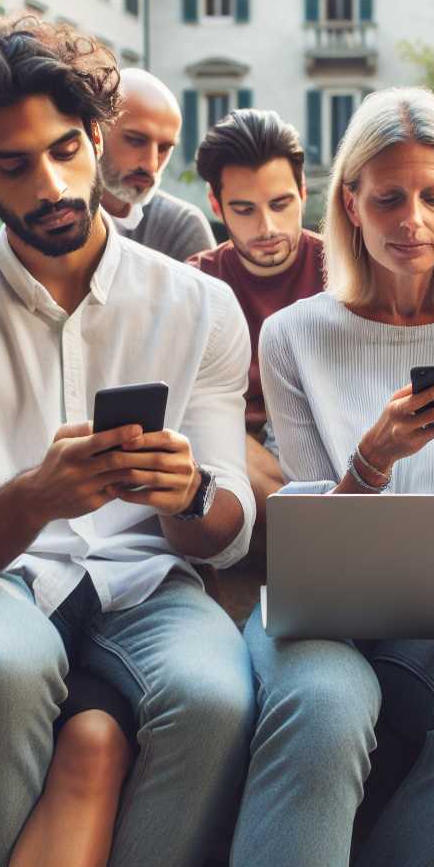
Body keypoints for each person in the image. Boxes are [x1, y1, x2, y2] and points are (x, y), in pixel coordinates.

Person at [0, 19, 256, 867]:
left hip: (149, 583)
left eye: (65, 150)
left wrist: (190, 493)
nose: (49, 184)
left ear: (96, 139)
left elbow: (226, 528)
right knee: (8, 669)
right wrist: (31, 499)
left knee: (215, 696)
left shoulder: (200, 307)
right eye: (13, 165)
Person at [230, 87, 434, 867]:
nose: (411, 219)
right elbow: (312, 532)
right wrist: (372, 464)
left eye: (432, 196)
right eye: (387, 199)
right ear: (350, 204)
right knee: (327, 703)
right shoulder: (293, 334)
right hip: (319, 619)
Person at [187, 108, 325, 547]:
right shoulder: (193, 288)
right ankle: (325, 535)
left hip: (329, 446)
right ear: (215, 204)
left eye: (281, 204)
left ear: (303, 191)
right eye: (244, 210)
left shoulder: (348, 270)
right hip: (235, 461)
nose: (267, 228)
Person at [96, 67, 214, 261]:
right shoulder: (54, 218)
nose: (151, 164)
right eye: (136, 140)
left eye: (164, 148)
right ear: (96, 131)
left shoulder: (181, 225)